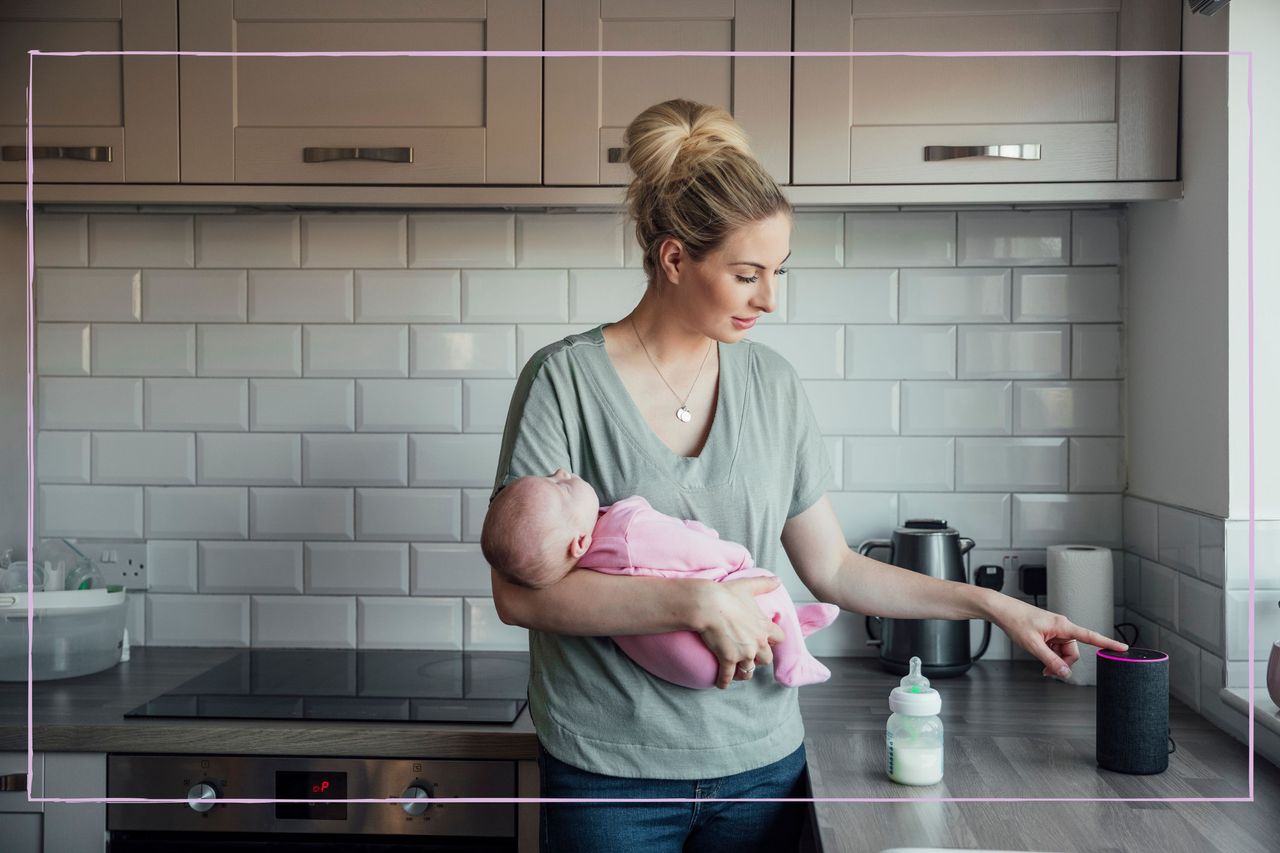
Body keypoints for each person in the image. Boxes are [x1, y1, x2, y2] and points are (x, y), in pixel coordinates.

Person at [488, 98, 1129, 853]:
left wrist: (995, 606)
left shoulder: (773, 385)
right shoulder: (563, 380)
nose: (770, 298)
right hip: (609, 776)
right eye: (747, 274)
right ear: (673, 258)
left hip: (760, 769)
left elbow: (832, 568)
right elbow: (518, 592)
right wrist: (696, 601)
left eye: (777, 272)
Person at [480, 469, 841, 689]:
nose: (561, 471)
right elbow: (690, 547)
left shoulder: (580, 567)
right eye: (560, 485)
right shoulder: (624, 527)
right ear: (578, 542)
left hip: (675, 665)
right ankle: (794, 658)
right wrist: (736, 558)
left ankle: (793, 625)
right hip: (708, 654)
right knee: (762, 581)